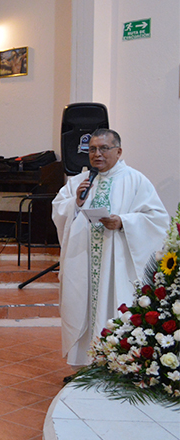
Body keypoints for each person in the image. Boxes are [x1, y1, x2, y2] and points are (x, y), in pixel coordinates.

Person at [52, 129, 169, 367]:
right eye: (92, 149)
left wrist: (124, 222)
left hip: (116, 268)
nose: (97, 154)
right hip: (83, 265)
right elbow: (58, 211)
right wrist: (75, 203)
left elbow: (158, 219)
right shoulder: (78, 182)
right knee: (80, 310)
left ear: (118, 151)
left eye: (104, 148)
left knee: (113, 312)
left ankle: (114, 367)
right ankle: (83, 368)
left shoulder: (135, 180)